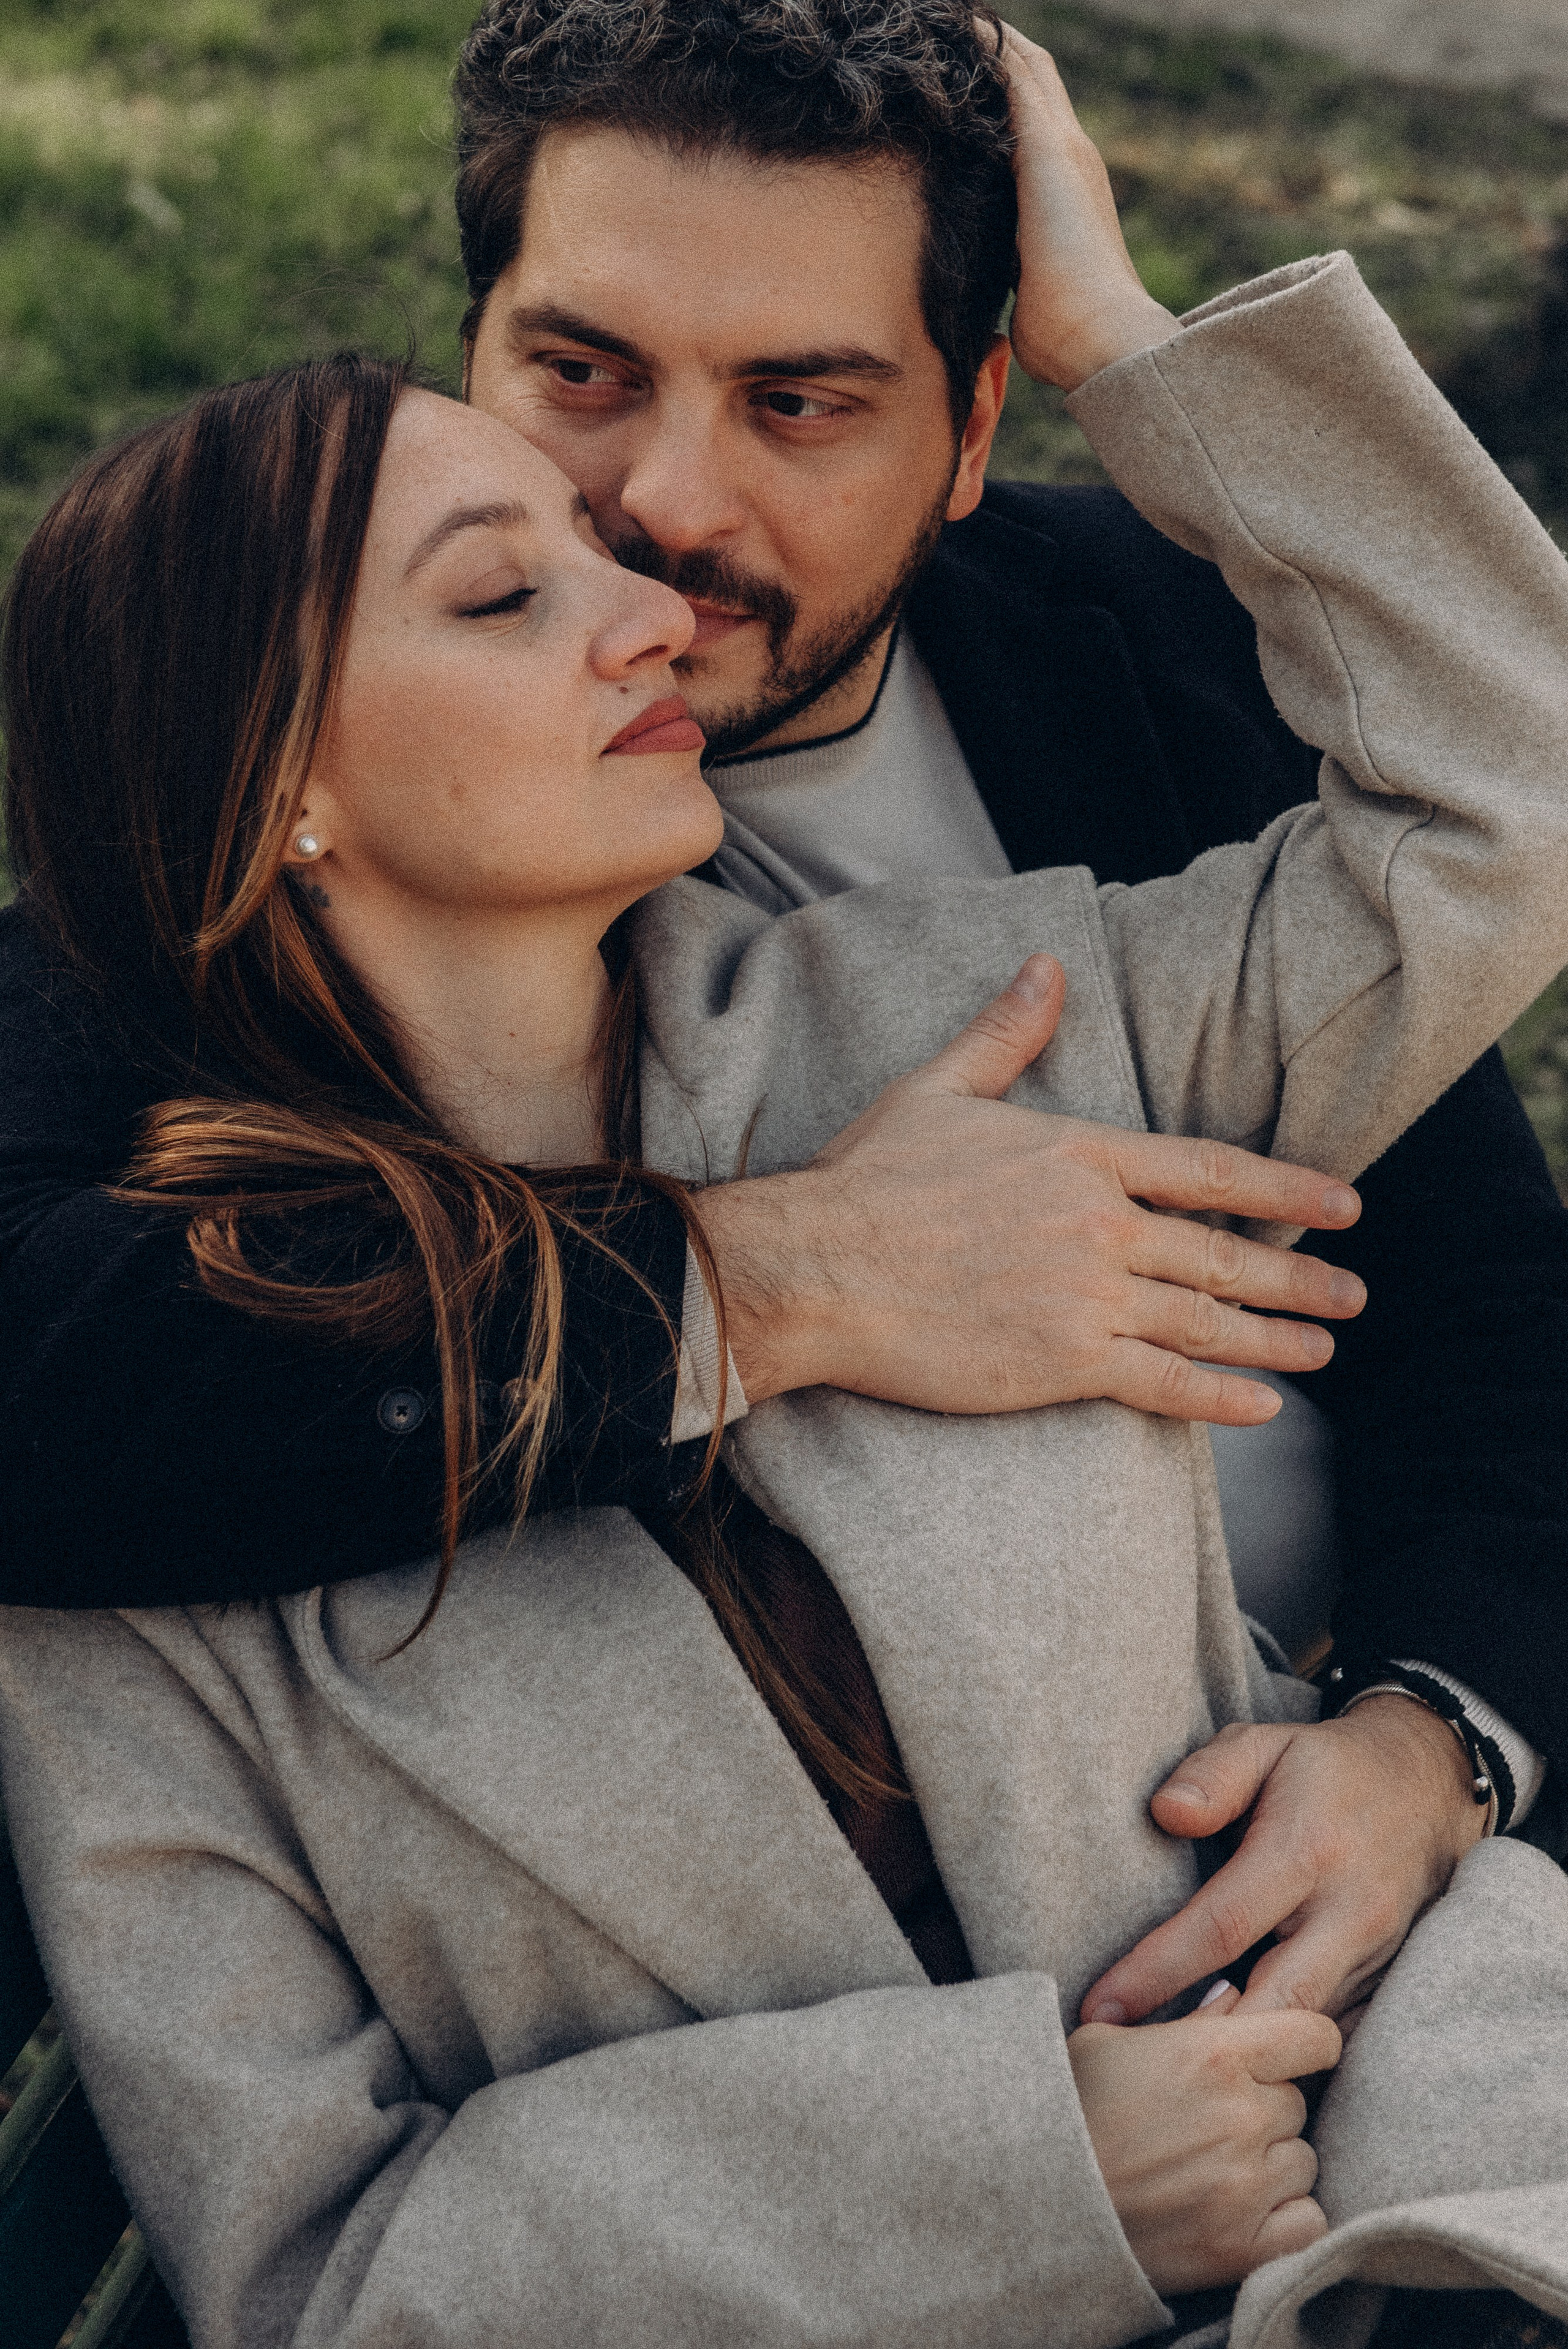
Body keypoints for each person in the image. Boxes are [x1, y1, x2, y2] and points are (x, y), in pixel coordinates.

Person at [6, 99, 1568, 2339]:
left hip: (1424, 2199)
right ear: (282, 793)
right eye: (513, 576)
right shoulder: (142, 1464)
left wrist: (1127, 337)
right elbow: (326, 2265)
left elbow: (1513, 797)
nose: (658, 575)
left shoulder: (985, 1003)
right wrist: (1024, 2168)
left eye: (804, 397)